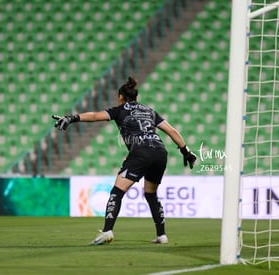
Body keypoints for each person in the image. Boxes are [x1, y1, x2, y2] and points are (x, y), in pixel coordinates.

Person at [52, 77, 197, 245]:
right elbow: (171, 130)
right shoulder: (149, 111)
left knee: (117, 191)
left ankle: (107, 231)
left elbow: (94, 116)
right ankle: (161, 235)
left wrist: (71, 118)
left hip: (141, 151)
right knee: (151, 194)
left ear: (120, 96)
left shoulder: (119, 110)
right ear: (136, 97)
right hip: (160, 152)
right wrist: (185, 151)